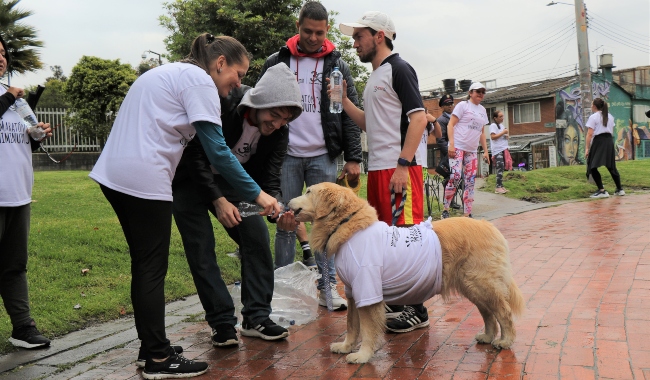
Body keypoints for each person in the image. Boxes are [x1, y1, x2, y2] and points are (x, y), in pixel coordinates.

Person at [89, 33, 282, 380]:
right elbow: (218, 152)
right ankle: (159, 361)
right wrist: (259, 196)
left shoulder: (171, 73)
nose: (239, 83)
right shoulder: (199, 81)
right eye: (237, 74)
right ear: (219, 63)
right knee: (151, 268)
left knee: (144, 265)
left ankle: (152, 346)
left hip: (116, 173)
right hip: (144, 178)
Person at [172, 63, 302, 346]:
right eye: (273, 115)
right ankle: (221, 323)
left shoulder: (280, 132)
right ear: (257, 103)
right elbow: (194, 154)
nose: (277, 124)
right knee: (201, 246)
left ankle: (256, 317)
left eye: (284, 120)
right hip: (190, 180)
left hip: (237, 186)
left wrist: (274, 212)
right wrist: (216, 199)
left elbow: (270, 177)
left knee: (256, 235)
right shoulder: (224, 103)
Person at [338, 11, 437, 333]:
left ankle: (417, 309)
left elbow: (419, 118)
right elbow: (371, 124)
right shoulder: (376, 75)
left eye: (359, 36)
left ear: (379, 35)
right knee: (385, 240)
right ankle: (399, 302)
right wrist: (342, 101)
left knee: (407, 239)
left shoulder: (400, 68)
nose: (354, 44)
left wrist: (403, 166)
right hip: (378, 170)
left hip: (399, 170)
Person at [261, 1, 363, 311]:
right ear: (297, 26)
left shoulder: (336, 66)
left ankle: (328, 286)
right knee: (285, 220)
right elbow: (262, 106)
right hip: (287, 155)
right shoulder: (277, 62)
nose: (314, 38)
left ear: (327, 31)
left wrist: (353, 157)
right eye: (308, 31)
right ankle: (281, 286)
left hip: (323, 155)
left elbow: (345, 113)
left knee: (325, 224)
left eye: (319, 33)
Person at [0, 33, 52, 350]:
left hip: (18, 194)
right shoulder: (11, 96)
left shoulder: (15, 98)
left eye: (3, 52)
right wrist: (8, 97)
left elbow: (21, 142)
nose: (1, 56)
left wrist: (36, 135)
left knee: (14, 265)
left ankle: (23, 327)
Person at [440, 82, 489, 219]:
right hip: (458, 146)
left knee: (470, 180)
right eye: (477, 91)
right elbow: (451, 124)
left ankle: (467, 212)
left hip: (472, 150)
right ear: (470, 92)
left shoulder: (483, 110)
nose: (480, 94)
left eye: (482, 92)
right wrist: (451, 144)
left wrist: (485, 151)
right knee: (455, 177)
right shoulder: (463, 105)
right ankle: (446, 208)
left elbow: (482, 133)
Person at [585, 98, 624, 198]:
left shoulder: (593, 117)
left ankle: (602, 191)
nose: (590, 106)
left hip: (599, 141)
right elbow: (611, 129)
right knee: (611, 166)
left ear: (594, 106)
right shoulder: (610, 116)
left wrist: (587, 148)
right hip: (609, 141)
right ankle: (620, 189)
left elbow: (589, 134)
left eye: (591, 104)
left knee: (592, 166)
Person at [436, 94, 460, 209]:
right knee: (450, 177)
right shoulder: (441, 120)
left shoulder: (455, 118)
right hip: (448, 153)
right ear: (442, 107)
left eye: (451, 104)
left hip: (458, 151)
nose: (450, 106)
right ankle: (449, 201)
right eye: (447, 104)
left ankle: (451, 200)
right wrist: (449, 153)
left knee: (457, 177)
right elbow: (441, 140)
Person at [489, 110, 510, 194]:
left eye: (502, 116)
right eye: (500, 116)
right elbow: (493, 137)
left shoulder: (501, 126)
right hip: (497, 149)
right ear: (495, 118)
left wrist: (506, 135)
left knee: (502, 167)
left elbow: (502, 135)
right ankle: (498, 187)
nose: (502, 118)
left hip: (503, 148)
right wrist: (503, 132)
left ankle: (501, 185)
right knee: (500, 166)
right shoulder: (493, 125)